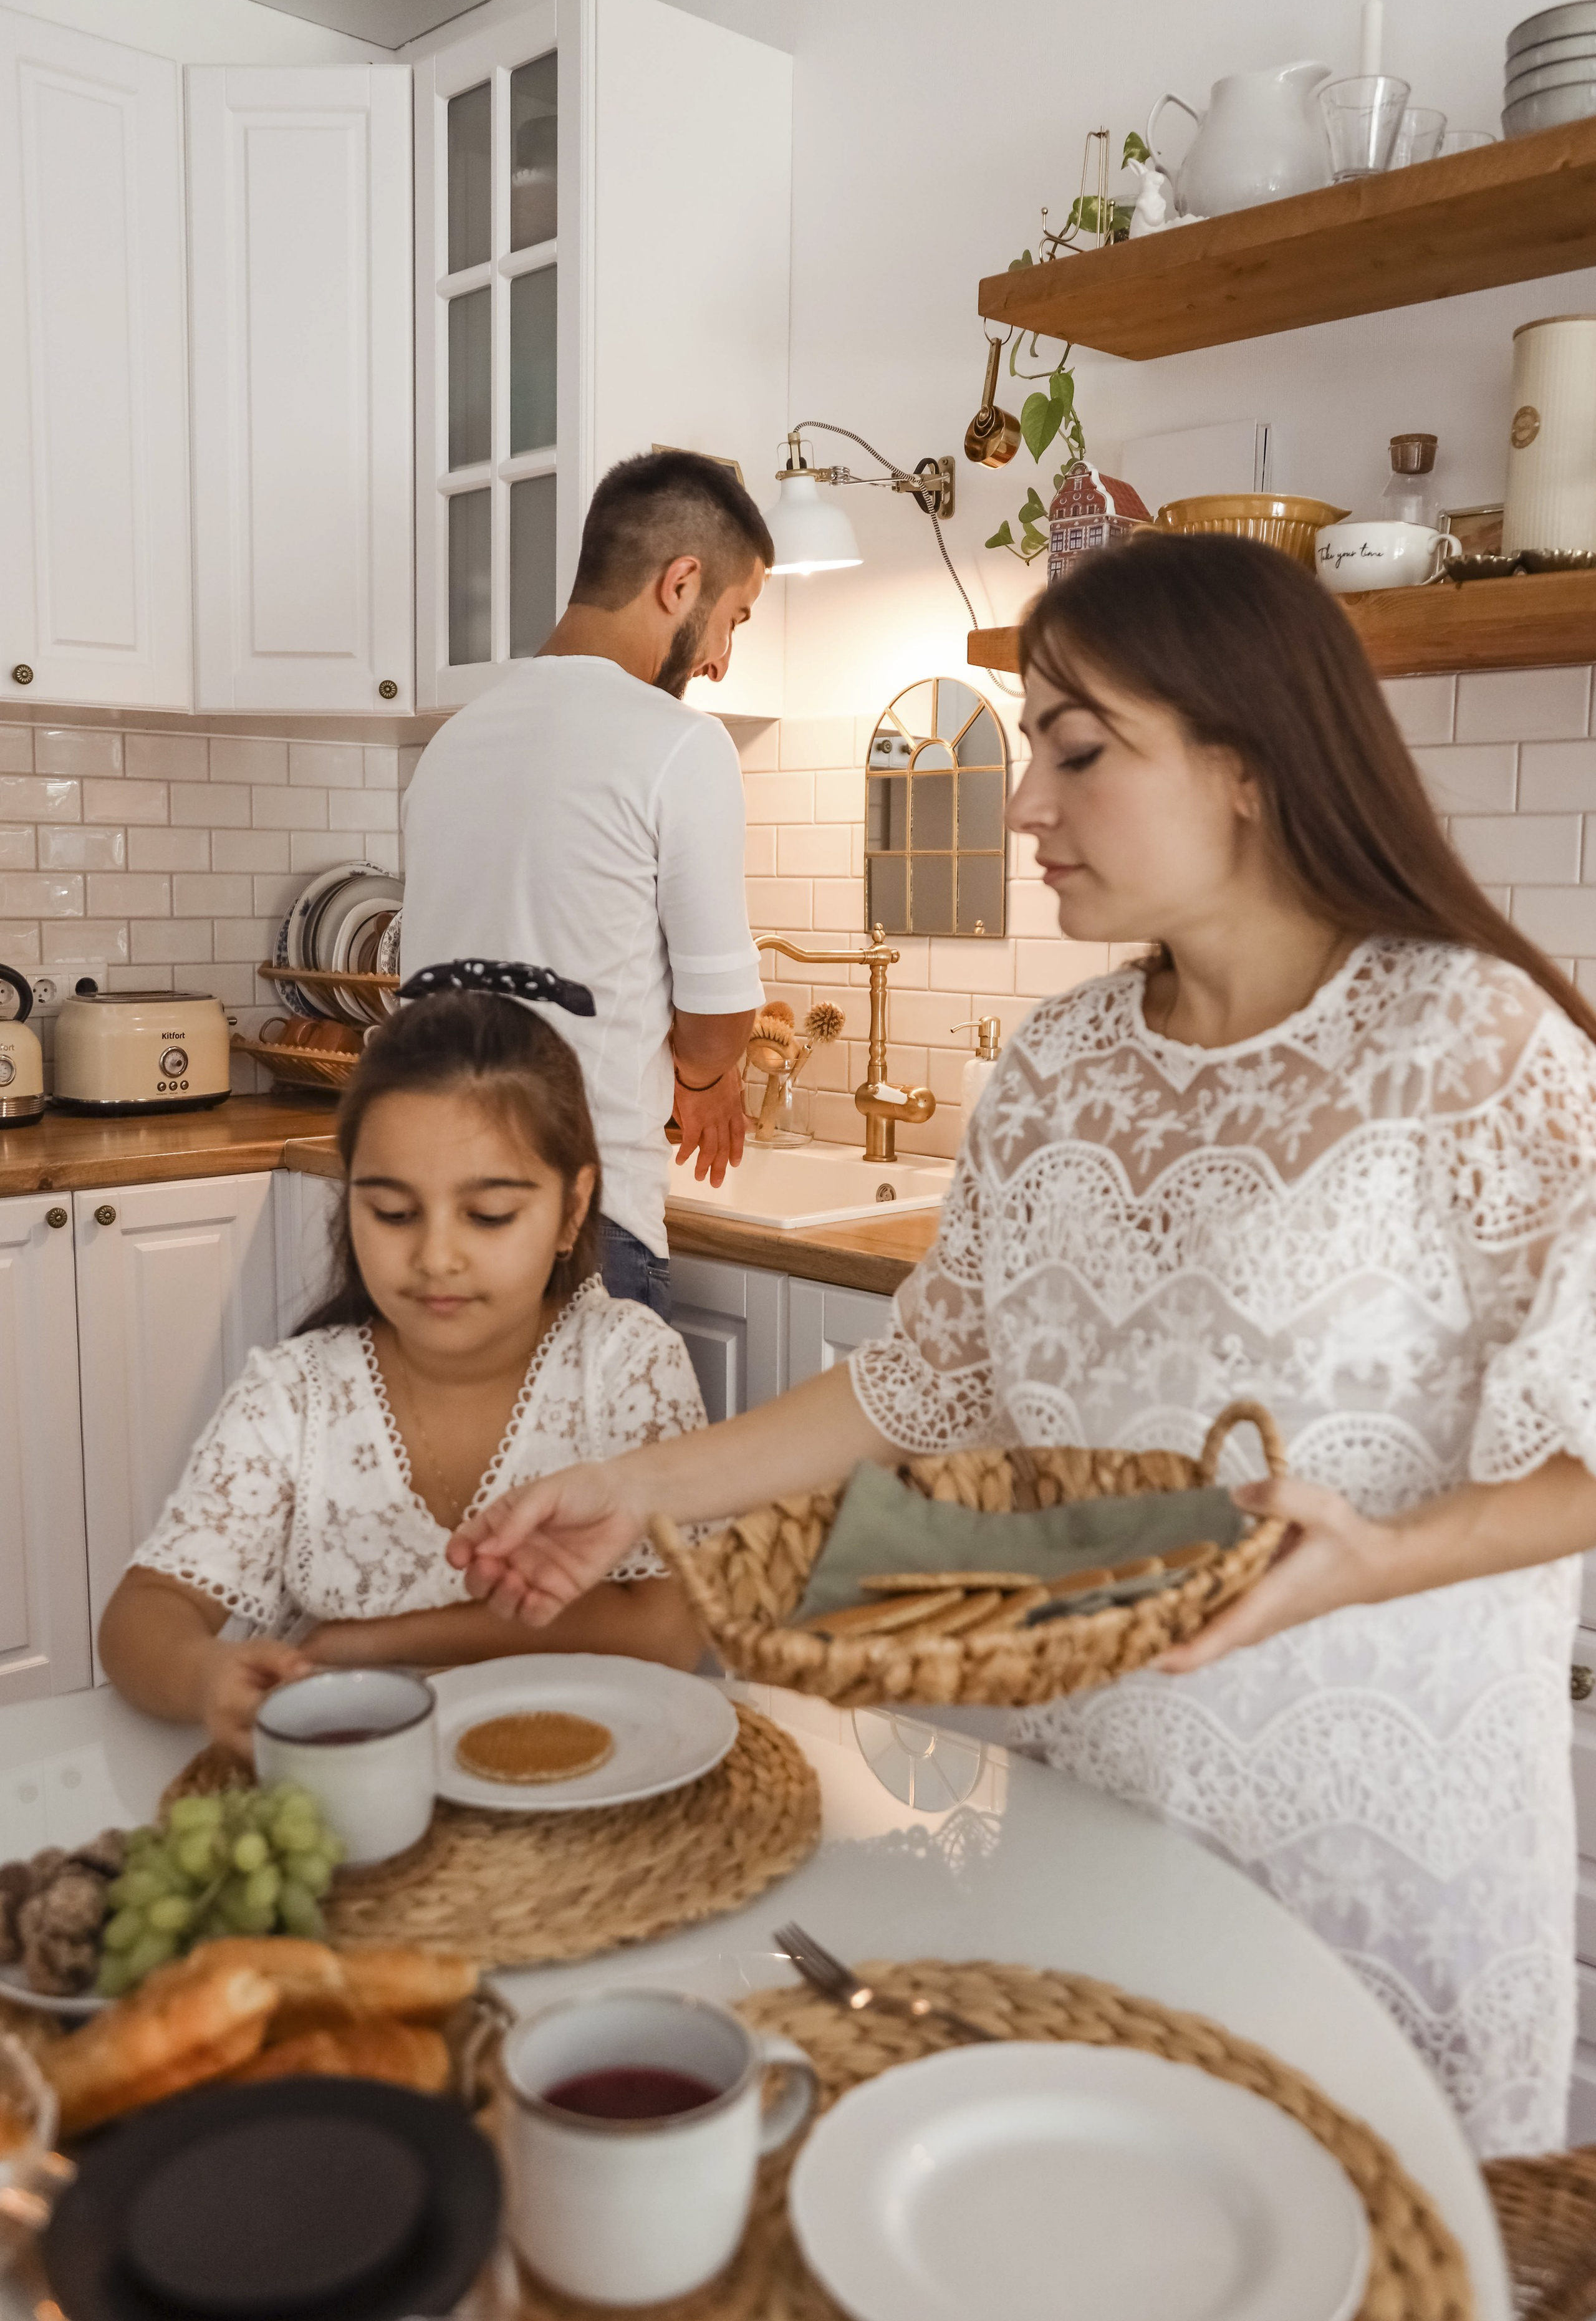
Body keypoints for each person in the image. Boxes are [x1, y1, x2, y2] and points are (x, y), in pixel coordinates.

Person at [446, 532, 1596, 2160]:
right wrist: (638, 1485)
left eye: (1077, 749)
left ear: (1249, 763)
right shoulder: (1060, 1066)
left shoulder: (1469, 1042)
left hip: (1377, 1838)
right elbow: (920, 1385)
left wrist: (1380, 1554)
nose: (1024, 806)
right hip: (1101, 1799)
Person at [99, 978, 713, 1758]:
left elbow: (664, 1632)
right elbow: (143, 1613)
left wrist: (365, 1643)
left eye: (488, 1215)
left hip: (573, 1798)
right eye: (391, 1212)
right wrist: (202, 1672)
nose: (434, 1257)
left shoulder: (626, 1365)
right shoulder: (295, 1395)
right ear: (348, 1198)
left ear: (570, 1209)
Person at [400, 448, 774, 1321]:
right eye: (736, 618)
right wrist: (711, 1078)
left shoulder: (453, 745)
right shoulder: (680, 743)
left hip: (434, 1222)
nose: (721, 658)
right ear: (681, 583)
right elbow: (719, 1020)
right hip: (582, 1230)